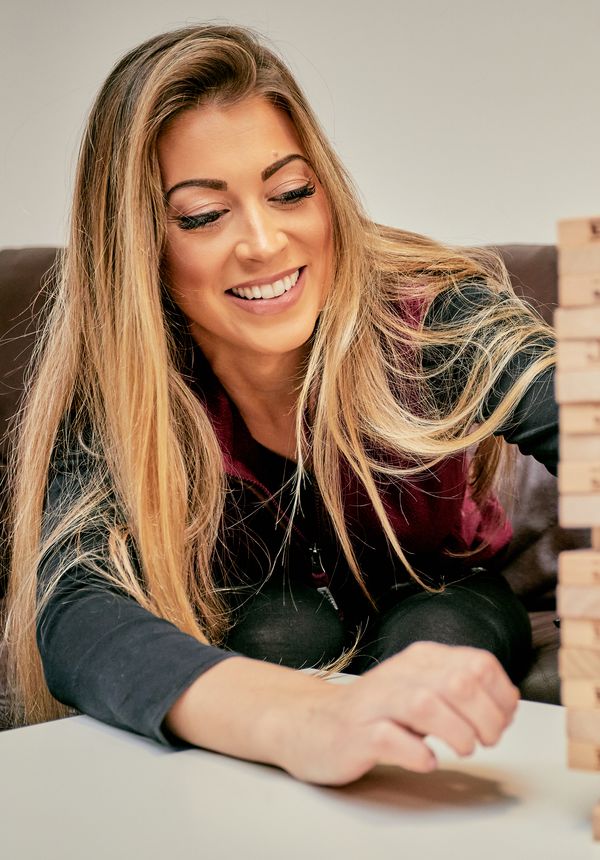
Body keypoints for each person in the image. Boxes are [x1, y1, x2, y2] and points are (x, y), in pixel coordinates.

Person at [5, 24, 557, 786]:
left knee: (441, 635)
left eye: (291, 192)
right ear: (140, 247)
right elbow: (74, 608)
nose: (264, 241)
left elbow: (575, 418)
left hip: (445, 587)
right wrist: (303, 716)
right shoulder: (125, 381)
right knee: (280, 634)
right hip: (257, 614)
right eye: (203, 215)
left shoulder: (435, 314)